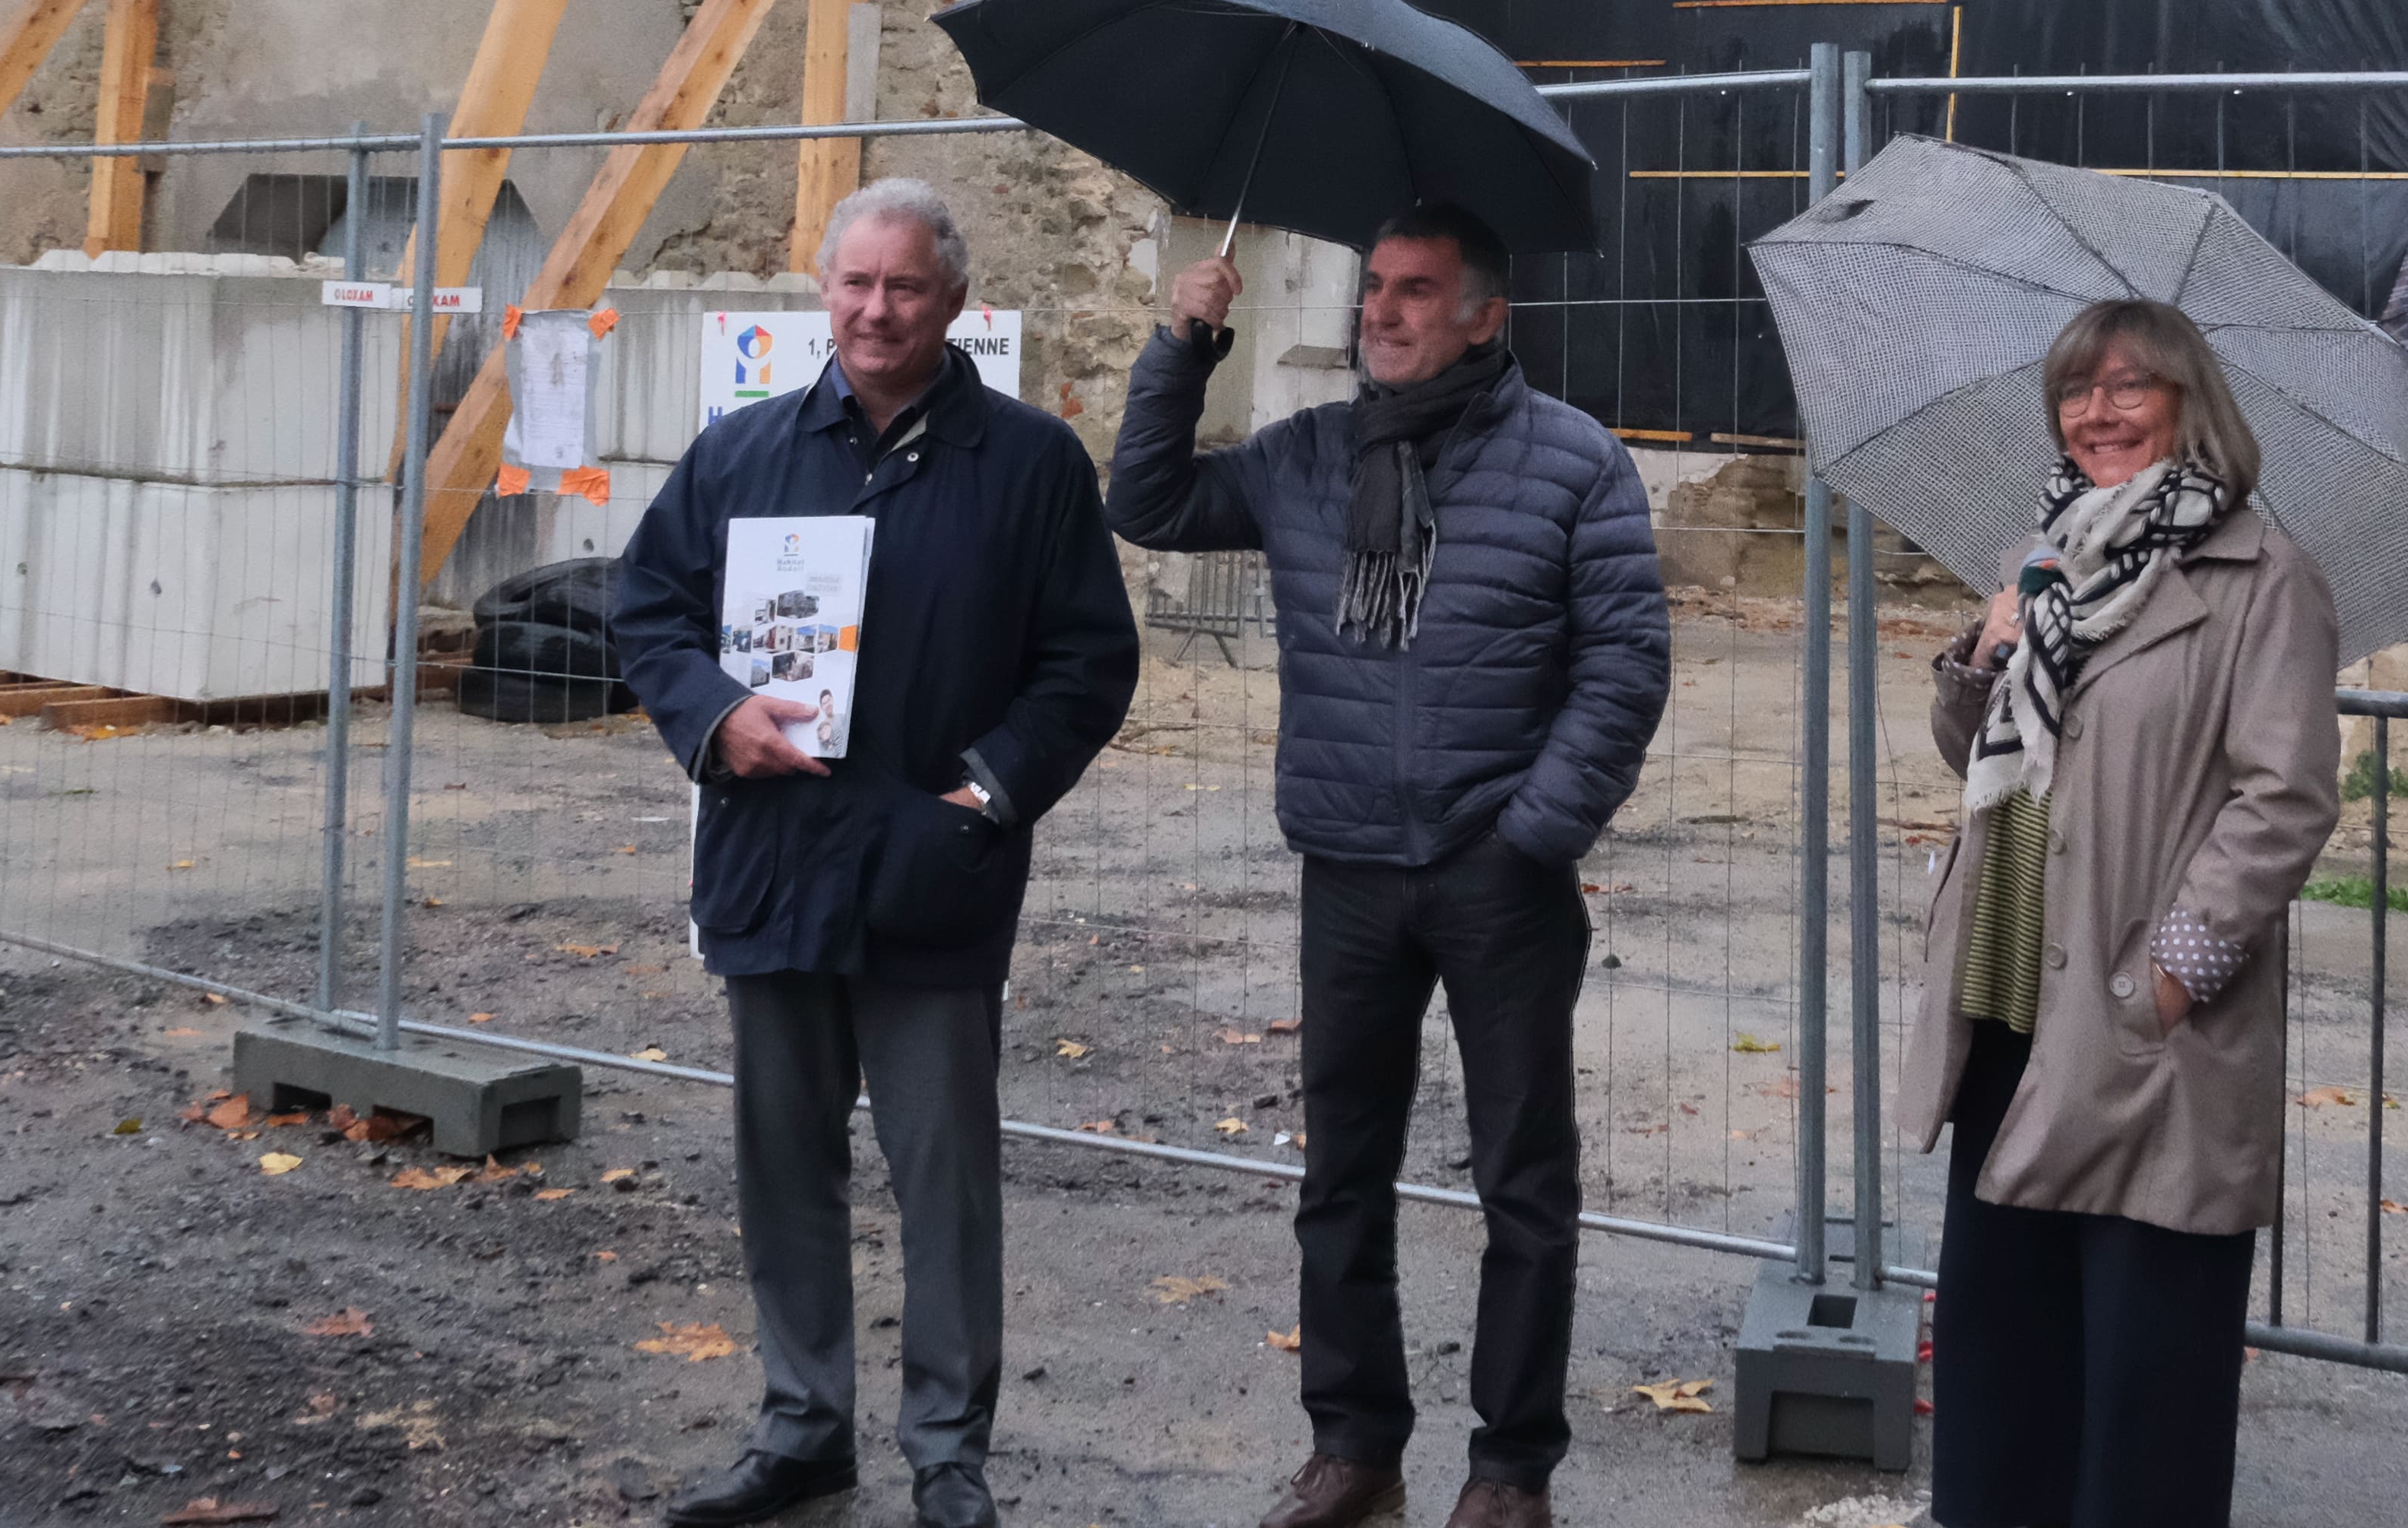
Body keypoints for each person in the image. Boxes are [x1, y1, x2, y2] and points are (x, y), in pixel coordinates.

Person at [1110, 199, 1671, 1528]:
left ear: (1488, 313)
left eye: (1418, 291)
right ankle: (1355, 1448)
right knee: (1340, 1175)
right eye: (1375, 290)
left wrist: (1534, 834)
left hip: (1501, 878)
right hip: (1350, 867)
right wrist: (1183, 344)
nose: (1385, 312)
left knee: (1523, 1181)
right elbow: (1149, 499)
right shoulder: (1306, 456)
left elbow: (1624, 666)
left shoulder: (1575, 465)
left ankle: (1510, 1469)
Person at [611, 179, 1141, 1528]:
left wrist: (990, 790)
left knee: (943, 1179)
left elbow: (1088, 661)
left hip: (927, 867)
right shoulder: (746, 451)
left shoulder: (1027, 464)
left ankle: (948, 1454)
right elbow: (647, 607)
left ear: (953, 302)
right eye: (853, 284)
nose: (874, 310)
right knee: (785, 1165)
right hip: (775, 859)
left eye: (904, 287)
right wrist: (716, 719)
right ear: (823, 296)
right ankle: (804, 1429)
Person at [1903, 298, 2341, 1528]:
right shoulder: (2047, 556)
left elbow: (2286, 799)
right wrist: (1988, 652)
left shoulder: (2263, 578)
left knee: (2146, 1376)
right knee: (2002, 1354)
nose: (2098, 412)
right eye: (2076, 390)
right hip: (2008, 1004)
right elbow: (1978, 754)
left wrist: (2170, 977)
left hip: (2146, 1037)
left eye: (2130, 386)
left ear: (2193, 403)